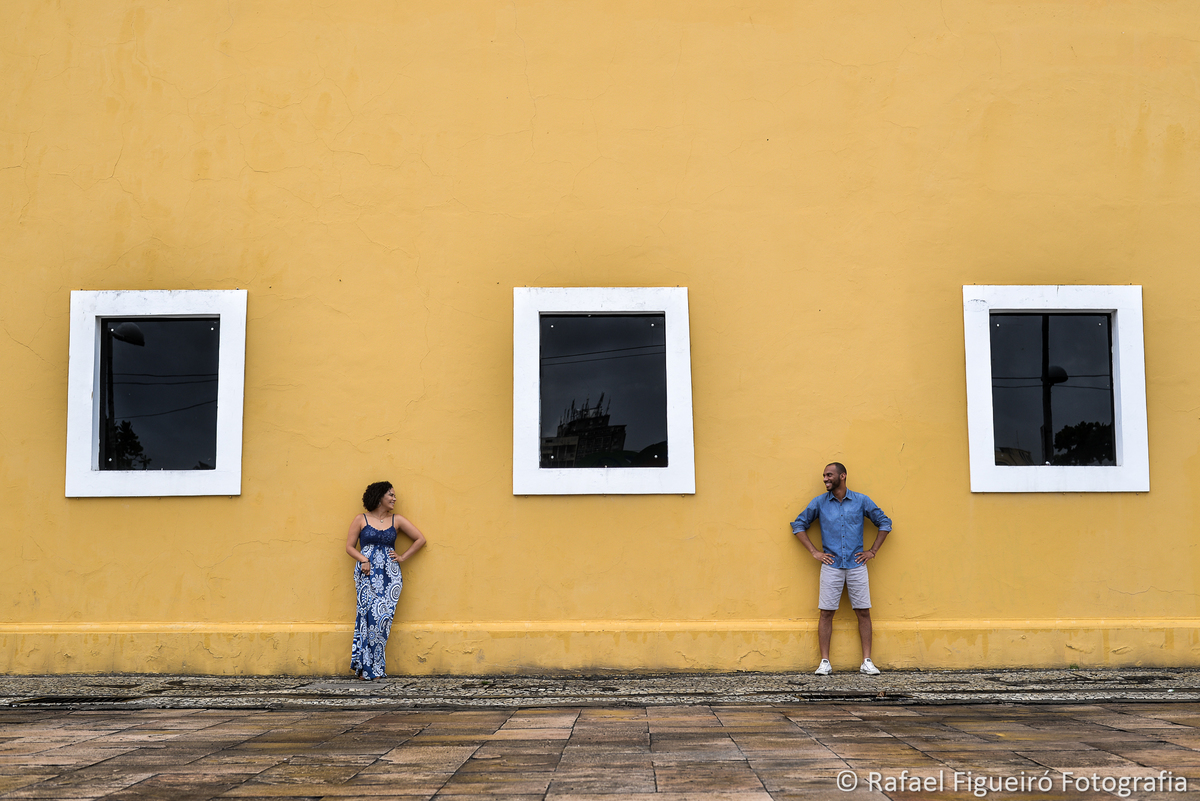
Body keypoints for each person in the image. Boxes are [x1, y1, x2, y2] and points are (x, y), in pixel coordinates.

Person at [790, 462, 892, 676]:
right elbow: (798, 525)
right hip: (831, 566)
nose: (825, 479)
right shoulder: (819, 503)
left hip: (857, 565)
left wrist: (872, 551)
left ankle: (867, 661)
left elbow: (885, 522)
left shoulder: (861, 501)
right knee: (826, 612)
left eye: (829, 475)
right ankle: (825, 662)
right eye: (824, 475)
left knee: (863, 611)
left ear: (842, 476)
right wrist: (814, 552)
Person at [345, 481, 426, 680]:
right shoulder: (361, 519)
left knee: (383, 621)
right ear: (380, 496)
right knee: (367, 618)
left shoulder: (396, 520)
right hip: (367, 573)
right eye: (390, 494)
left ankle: (377, 667)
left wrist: (402, 558)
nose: (394, 498)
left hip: (390, 577)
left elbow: (420, 539)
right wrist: (363, 559)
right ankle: (365, 668)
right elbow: (349, 547)